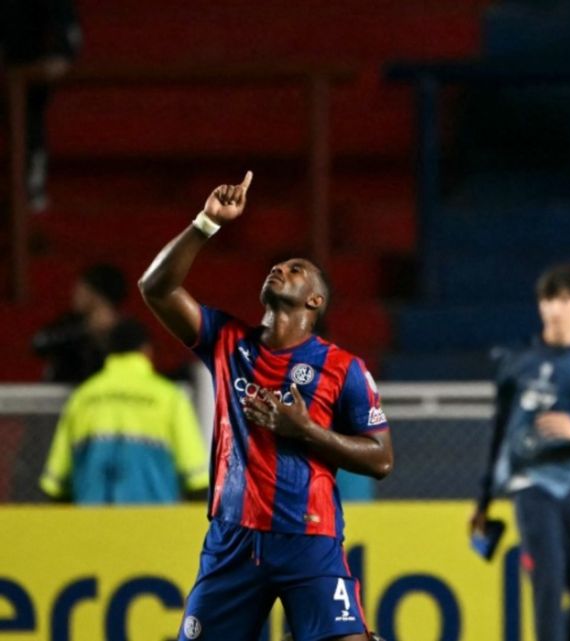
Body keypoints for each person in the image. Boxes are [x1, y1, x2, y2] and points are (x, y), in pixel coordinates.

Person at [138, 171, 393, 641]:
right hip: (232, 537)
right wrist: (206, 224)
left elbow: (381, 460)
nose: (280, 268)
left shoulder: (344, 369)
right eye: (278, 265)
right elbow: (155, 288)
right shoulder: (225, 340)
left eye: (296, 269)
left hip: (308, 537)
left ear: (315, 300)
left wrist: (306, 430)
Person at [469, 263, 570, 641]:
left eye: (565, 299)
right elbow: (499, 433)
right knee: (547, 585)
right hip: (532, 483)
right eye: (549, 300)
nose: (556, 309)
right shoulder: (517, 363)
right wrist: (484, 500)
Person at [39, 318, 208, 504]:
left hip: (92, 519)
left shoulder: (82, 398)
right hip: (154, 519)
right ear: (146, 350)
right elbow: (196, 479)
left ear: (108, 351)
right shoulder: (169, 398)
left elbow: (55, 485)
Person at [0, 0, 82, 210]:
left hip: (25, 75)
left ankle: (31, 187)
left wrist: (63, 51)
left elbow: (64, 24)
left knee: (28, 120)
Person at [32, 263, 126, 383]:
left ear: (96, 295)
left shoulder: (126, 329)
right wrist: (85, 330)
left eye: (81, 289)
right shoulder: (69, 322)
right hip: (65, 391)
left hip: (108, 390)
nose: (75, 294)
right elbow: (39, 344)